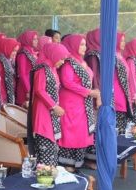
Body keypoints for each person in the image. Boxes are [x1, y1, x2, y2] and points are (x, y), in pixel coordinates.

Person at [57, 35, 99, 171]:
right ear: (73, 45)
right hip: (71, 103)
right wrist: (88, 92)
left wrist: (92, 93)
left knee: (82, 132)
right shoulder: (68, 62)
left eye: (85, 44)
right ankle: (67, 163)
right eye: (81, 44)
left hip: (83, 103)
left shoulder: (82, 61)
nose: (84, 47)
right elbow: (67, 82)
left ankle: (78, 162)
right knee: (71, 132)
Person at [28, 43, 69, 167]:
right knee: (46, 143)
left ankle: (49, 173)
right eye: (61, 58)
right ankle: (44, 174)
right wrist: (54, 106)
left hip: (51, 113)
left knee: (52, 147)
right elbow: (39, 90)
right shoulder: (42, 69)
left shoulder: (52, 68)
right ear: (54, 55)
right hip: (43, 112)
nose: (62, 62)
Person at [15, 30, 39, 107]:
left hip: (32, 85)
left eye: (37, 39)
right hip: (25, 87)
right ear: (28, 40)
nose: (36, 41)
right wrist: (28, 90)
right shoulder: (23, 53)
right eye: (34, 39)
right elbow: (22, 73)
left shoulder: (32, 51)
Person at [0, 35, 19, 106]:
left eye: (16, 51)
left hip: (8, 95)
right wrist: (2, 101)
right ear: (7, 48)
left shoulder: (8, 60)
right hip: (3, 98)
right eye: (13, 50)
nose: (15, 53)